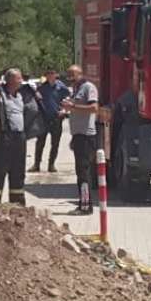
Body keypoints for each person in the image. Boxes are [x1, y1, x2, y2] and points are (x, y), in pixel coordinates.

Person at [0, 68, 32, 208]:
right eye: (19, 78)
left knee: (18, 171)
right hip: (4, 137)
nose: (21, 81)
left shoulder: (21, 94)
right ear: (11, 80)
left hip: (19, 138)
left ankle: (17, 205)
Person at [63, 64, 99, 215]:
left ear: (80, 74)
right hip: (78, 135)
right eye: (69, 75)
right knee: (79, 172)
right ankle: (82, 203)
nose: (70, 78)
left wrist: (73, 107)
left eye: (73, 75)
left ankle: (86, 206)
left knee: (83, 172)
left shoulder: (88, 87)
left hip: (86, 136)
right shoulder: (76, 89)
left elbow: (94, 108)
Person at [31, 68, 69, 173]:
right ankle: (36, 164)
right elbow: (36, 101)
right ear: (46, 75)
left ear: (56, 74)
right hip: (43, 119)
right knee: (40, 143)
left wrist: (64, 110)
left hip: (56, 118)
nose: (51, 75)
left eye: (52, 73)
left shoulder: (61, 87)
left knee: (55, 143)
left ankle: (51, 164)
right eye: (48, 74)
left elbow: (68, 99)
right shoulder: (42, 88)